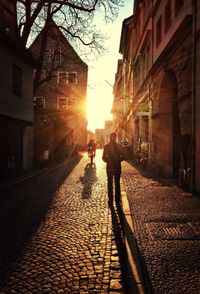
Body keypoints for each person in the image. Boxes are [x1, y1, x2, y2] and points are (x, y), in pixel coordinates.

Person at [102, 132, 124, 207]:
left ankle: (110, 199)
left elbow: (103, 158)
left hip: (109, 167)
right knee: (117, 183)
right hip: (117, 166)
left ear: (110, 137)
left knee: (110, 183)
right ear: (116, 137)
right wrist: (118, 161)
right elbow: (123, 156)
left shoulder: (106, 146)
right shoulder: (119, 146)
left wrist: (108, 161)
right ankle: (117, 199)